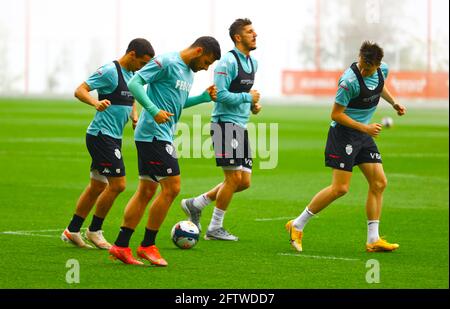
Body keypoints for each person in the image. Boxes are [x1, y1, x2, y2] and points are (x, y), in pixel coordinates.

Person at [108, 36, 221, 266]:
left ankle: (121, 246)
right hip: (153, 134)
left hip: (161, 134)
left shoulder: (188, 73)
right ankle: (147, 245)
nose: (205, 68)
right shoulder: (166, 62)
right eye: (207, 62)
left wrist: (202, 98)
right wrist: (152, 109)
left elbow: (177, 103)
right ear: (199, 51)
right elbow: (134, 83)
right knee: (172, 187)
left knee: (146, 191)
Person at [286, 41, 407, 252]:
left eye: (368, 68)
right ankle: (297, 224)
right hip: (344, 134)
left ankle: (373, 240)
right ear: (358, 57)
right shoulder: (348, 81)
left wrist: (393, 102)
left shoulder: (382, 70)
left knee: (379, 183)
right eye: (361, 64)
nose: (363, 69)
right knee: (340, 189)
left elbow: (380, 86)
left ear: (378, 65)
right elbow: (336, 115)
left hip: (363, 133)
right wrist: (365, 128)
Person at [61, 38, 154, 249]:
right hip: (101, 136)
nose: (142, 68)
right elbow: (80, 90)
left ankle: (72, 230)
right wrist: (96, 102)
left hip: (112, 137)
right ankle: (95, 230)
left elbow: (131, 99)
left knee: (97, 185)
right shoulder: (110, 71)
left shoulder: (132, 75)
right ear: (132, 55)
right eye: (141, 63)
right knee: (118, 184)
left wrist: (135, 116)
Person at [181, 18, 261, 241]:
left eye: (254, 31)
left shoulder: (253, 63)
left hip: (240, 125)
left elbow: (243, 93)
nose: (255, 35)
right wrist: (248, 97)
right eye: (249, 32)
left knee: (244, 182)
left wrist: (252, 105)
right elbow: (221, 95)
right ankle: (214, 228)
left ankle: (196, 203)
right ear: (238, 37)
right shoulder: (227, 62)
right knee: (233, 178)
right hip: (224, 124)